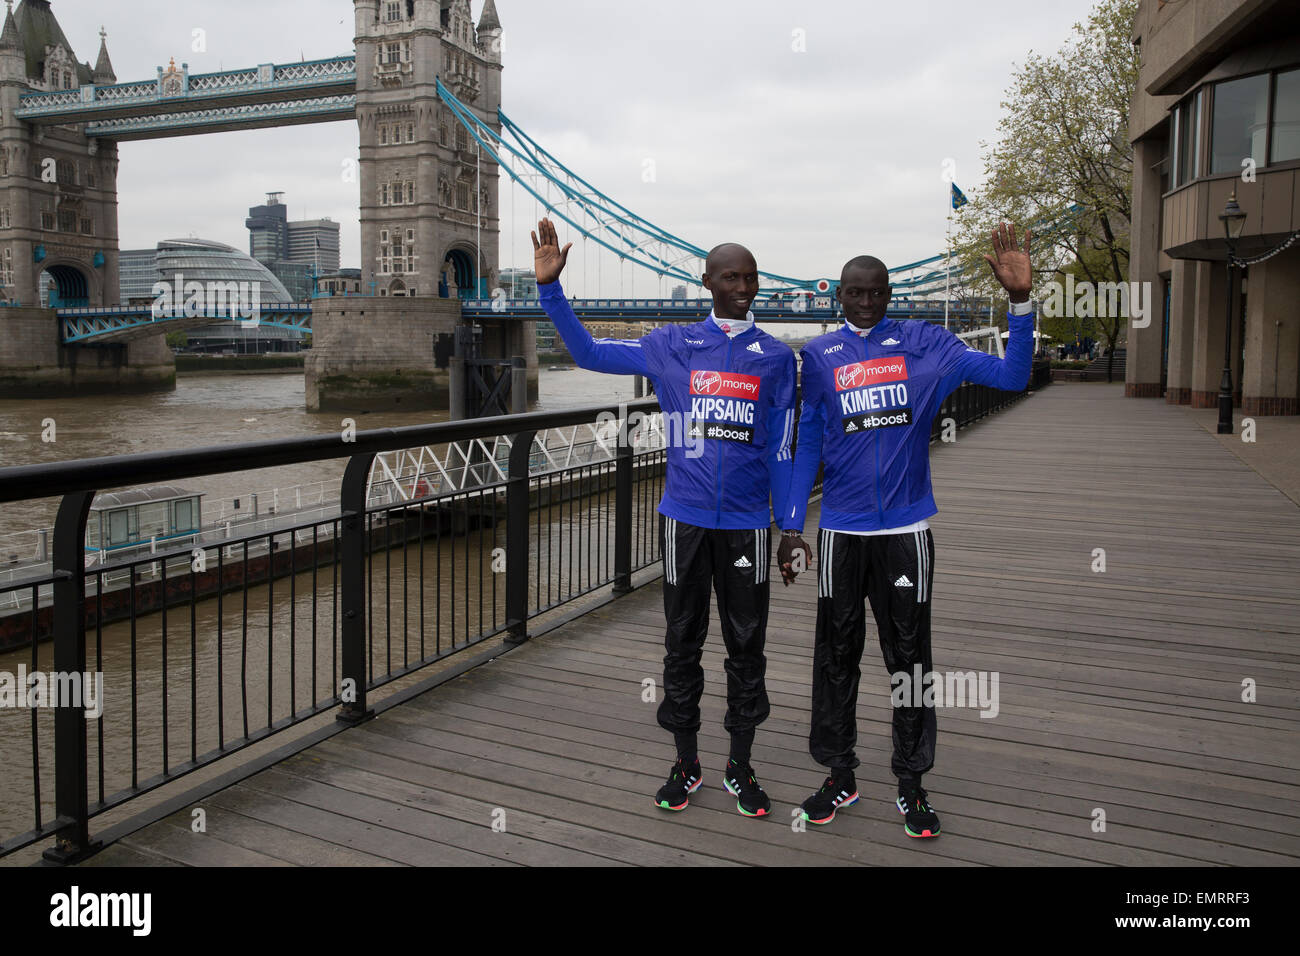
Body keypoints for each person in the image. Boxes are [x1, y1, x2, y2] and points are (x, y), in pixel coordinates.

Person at [532, 218, 797, 817]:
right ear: (707, 281)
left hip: (750, 523)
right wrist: (552, 290)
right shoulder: (670, 343)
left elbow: (782, 447)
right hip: (684, 518)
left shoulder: (777, 358)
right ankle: (685, 762)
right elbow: (588, 352)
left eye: (751, 277)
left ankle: (740, 764)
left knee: (746, 645)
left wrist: (790, 529)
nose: (744, 286)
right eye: (732, 276)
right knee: (682, 642)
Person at [777, 222, 1034, 838]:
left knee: (908, 661)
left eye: (876, 293)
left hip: (906, 531)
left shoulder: (928, 345)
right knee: (835, 659)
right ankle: (839, 774)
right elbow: (807, 439)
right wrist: (790, 525)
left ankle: (911, 783)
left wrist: (1021, 303)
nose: (865, 304)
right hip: (840, 533)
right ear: (838, 296)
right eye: (854, 294)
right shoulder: (817, 358)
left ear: (890, 293)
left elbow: (1013, 377)